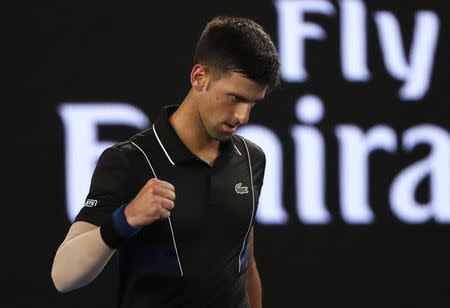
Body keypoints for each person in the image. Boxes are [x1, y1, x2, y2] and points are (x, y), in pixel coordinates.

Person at [51, 15, 280, 308]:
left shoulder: (251, 159)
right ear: (200, 77)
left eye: (252, 103)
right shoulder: (129, 160)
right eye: (235, 97)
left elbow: (245, 264)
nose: (242, 116)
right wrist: (126, 219)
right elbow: (63, 275)